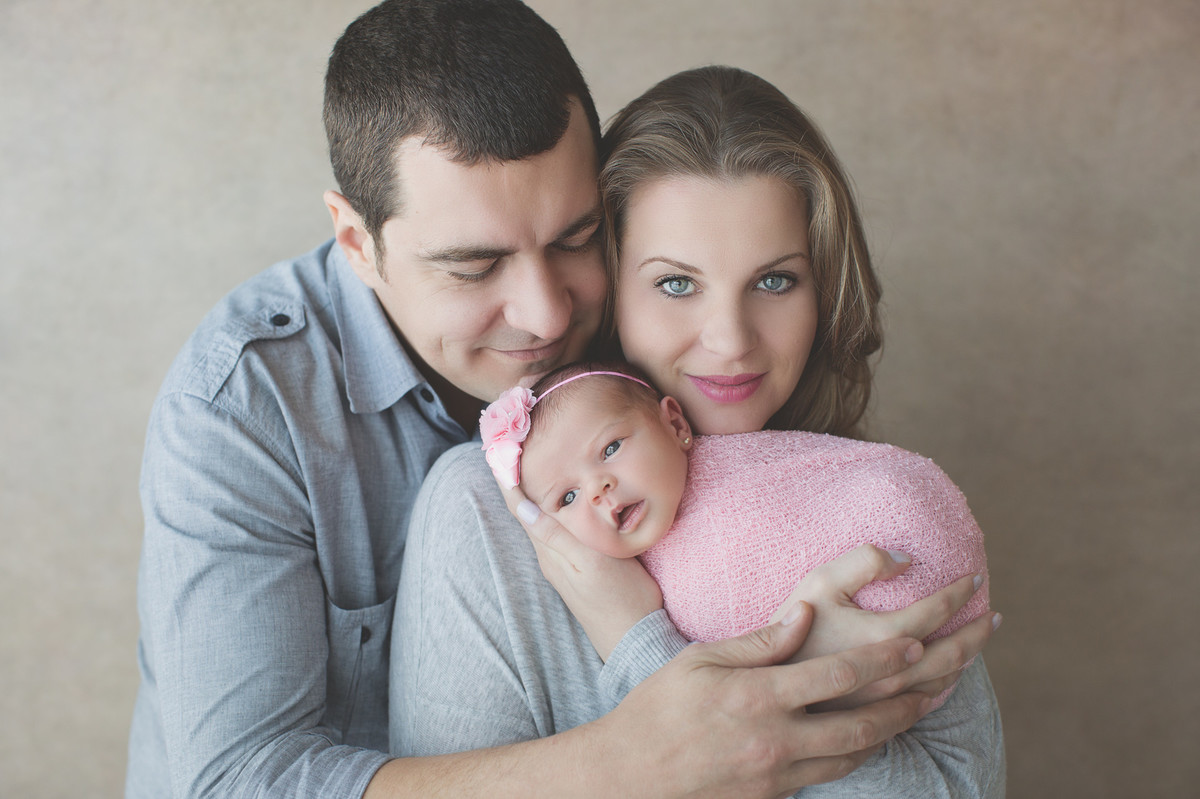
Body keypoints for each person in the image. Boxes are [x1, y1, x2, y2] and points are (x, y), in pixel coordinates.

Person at [126, 4, 991, 798]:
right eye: (474, 265)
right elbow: (236, 779)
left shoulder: (736, 444)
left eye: (576, 241)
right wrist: (656, 738)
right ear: (357, 239)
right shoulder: (251, 406)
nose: (548, 315)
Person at [391, 66, 1005, 796]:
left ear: (824, 291)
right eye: (676, 283)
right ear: (612, 288)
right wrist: (658, 652)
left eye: (775, 280)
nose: (731, 340)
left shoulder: (866, 502)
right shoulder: (487, 516)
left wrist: (805, 669)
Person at [482, 361, 989, 708]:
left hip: (907, 581)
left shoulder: (739, 481)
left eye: (611, 448)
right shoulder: (593, 592)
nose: (598, 489)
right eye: (565, 499)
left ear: (674, 423)